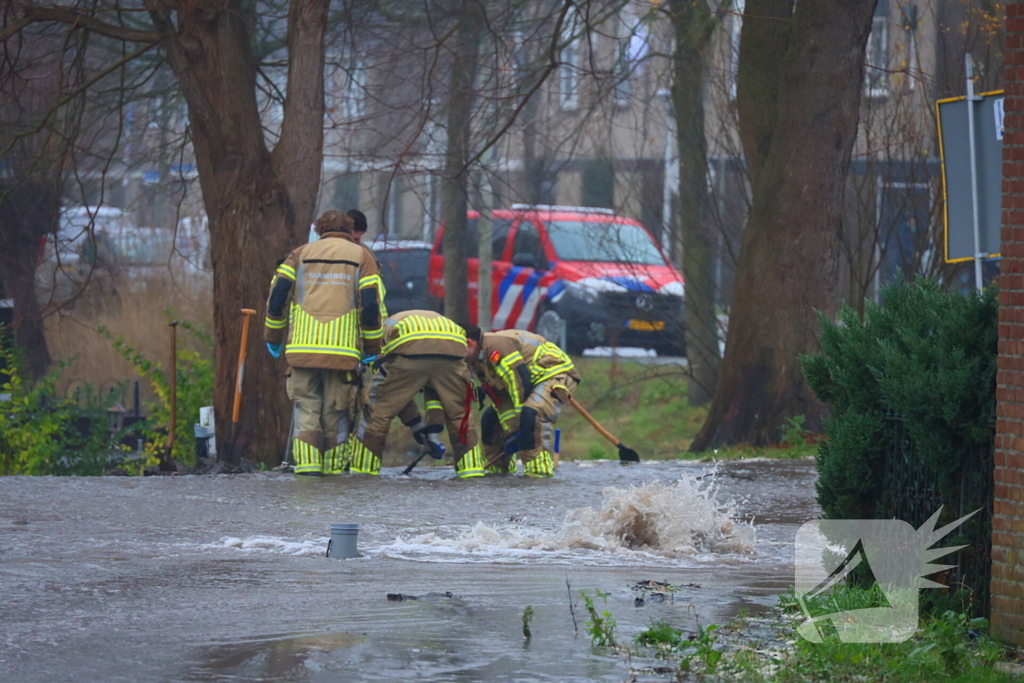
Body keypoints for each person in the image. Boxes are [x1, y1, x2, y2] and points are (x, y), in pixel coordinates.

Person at [264, 210, 384, 476]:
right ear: (349, 228)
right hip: (342, 352)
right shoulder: (362, 257)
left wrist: (273, 338)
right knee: (335, 413)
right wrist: (373, 348)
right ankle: (332, 474)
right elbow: (371, 306)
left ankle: (307, 470)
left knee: (306, 408)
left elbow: (277, 297)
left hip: (302, 349)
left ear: (319, 229)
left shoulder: (299, 254)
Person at [350, 310, 484, 479]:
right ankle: (471, 472)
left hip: (410, 350)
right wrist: (421, 428)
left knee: (376, 415)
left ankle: (363, 472)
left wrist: (415, 424)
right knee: (460, 416)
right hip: (453, 353)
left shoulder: (386, 328)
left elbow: (395, 396)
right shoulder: (440, 320)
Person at [464, 325, 580, 478]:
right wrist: (512, 431)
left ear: (469, 343)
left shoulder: (496, 347)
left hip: (554, 373)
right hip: (528, 382)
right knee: (490, 421)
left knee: (532, 414)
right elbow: (502, 397)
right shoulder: (477, 360)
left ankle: (538, 473)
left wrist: (519, 427)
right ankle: (500, 474)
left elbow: (519, 383)